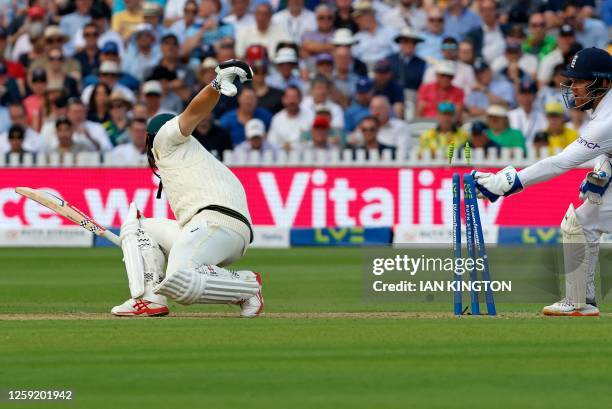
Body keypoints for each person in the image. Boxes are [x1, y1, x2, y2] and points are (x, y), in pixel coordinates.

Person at [111, 59, 263, 318]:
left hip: (215, 223)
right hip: (222, 230)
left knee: (180, 278)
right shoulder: (196, 160)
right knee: (138, 226)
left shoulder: (165, 139)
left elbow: (194, 112)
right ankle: (151, 299)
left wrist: (215, 84)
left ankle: (247, 285)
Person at [471, 47, 612, 316]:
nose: (574, 88)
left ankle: (579, 300)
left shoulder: (606, 120)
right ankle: (580, 300)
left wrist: (502, 184)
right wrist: (602, 171)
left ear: (603, 83)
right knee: (582, 223)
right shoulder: (605, 111)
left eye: (581, 81)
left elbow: (560, 163)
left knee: (582, 222)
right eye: (573, 81)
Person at [268, 85, 311, 150]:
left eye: (294, 97)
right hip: (281, 156)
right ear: (283, 100)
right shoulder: (277, 119)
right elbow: (272, 142)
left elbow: (314, 140)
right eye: (289, 97)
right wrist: (283, 147)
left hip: (305, 156)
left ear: (301, 99)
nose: (292, 101)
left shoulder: (310, 116)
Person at [388, 27, 426, 92]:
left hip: (413, 96)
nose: (410, 45)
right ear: (400, 42)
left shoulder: (422, 63)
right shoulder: (389, 60)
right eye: (406, 41)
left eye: (414, 42)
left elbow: (422, 86)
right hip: (392, 96)